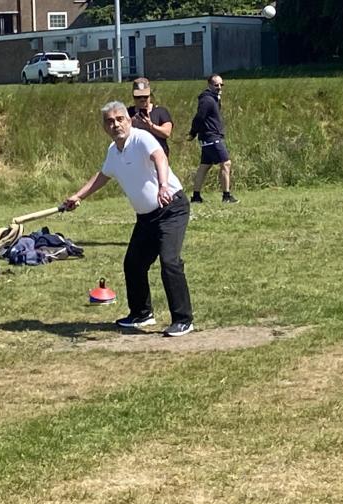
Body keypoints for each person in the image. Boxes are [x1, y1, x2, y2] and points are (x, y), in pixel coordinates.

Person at [64, 101, 194, 337]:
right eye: (109, 121)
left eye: (119, 119)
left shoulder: (141, 138)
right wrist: (77, 196)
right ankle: (142, 314)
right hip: (146, 218)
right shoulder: (113, 151)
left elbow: (160, 158)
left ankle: (183, 319)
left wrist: (163, 185)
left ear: (128, 120)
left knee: (170, 261)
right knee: (133, 264)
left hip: (171, 208)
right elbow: (103, 176)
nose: (115, 125)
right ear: (104, 126)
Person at [188, 73, 238, 204]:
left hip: (210, 136)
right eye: (216, 85)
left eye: (221, 85)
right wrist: (193, 132)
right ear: (209, 85)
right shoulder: (207, 100)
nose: (219, 87)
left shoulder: (214, 98)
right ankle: (226, 196)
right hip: (211, 137)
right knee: (226, 163)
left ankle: (196, 196)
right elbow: (199, 117)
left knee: (204, 166)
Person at [128, 77, 173, 157]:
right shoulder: (127, 113)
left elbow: (167, 133)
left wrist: (150, 126)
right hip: (135, 157)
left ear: (150, 95)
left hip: (157, 158)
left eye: (145, 96)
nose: (142, 99)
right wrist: (130, 125)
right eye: (138, 97)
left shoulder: (161, 111)